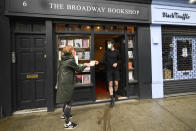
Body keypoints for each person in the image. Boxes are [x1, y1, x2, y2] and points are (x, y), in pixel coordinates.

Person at [56, 45, 93, 129]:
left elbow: (61, 71)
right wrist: (87, 65)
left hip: (63, 81)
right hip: (67, 83)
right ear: (70, 52)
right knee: (69, 102)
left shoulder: (63, 59)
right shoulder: (70, 60)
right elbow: (79, 70)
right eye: (73, 50)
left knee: (66, 100)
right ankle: (67, 123)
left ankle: (64, 115)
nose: (74, 51)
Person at [95, 39, 120, 108]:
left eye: (109, 44)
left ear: (112, 44)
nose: (108, 45)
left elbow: (119, 60)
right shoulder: (106, 52)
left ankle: (115, 93)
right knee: (110, 84)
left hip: (116, 70)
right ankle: (112, 98)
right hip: (109, 70)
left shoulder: (117, 51)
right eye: (107, 44)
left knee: (116, 84)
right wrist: (99, 62)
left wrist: (116, 63)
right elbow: (103, 60)